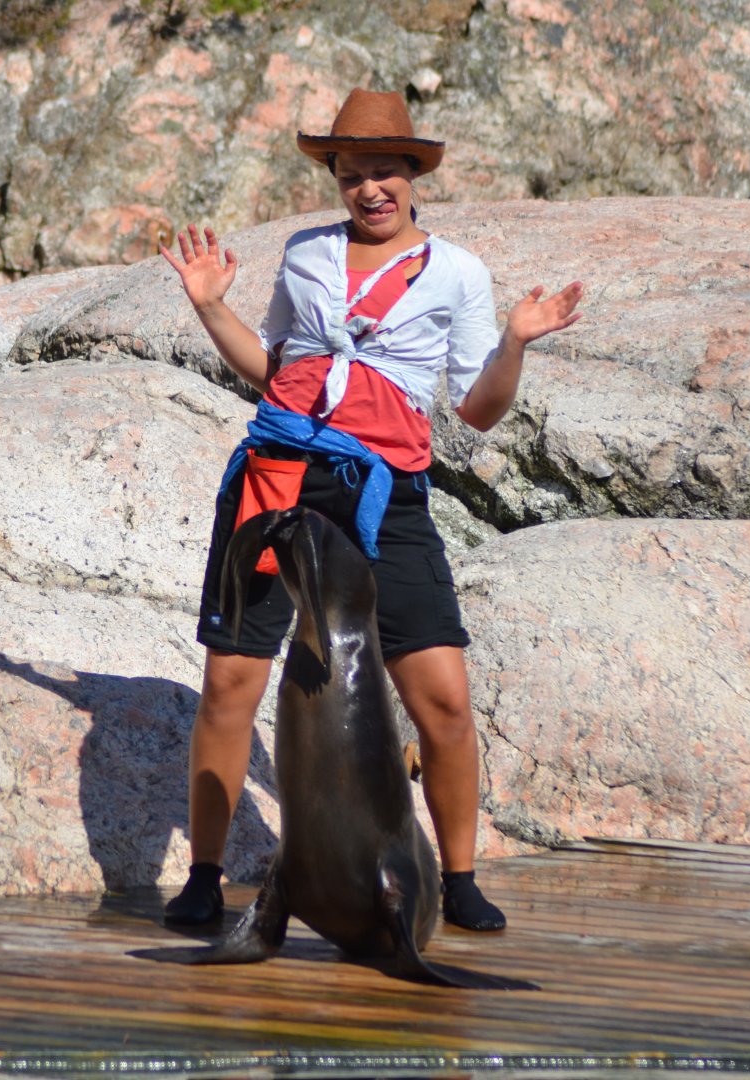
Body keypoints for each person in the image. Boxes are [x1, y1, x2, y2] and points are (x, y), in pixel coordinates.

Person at [158, 88, 584, 932]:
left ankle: (458, 879)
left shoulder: (457, 272)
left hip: (386, 495)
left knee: (443, 699)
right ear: (337, 177)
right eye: (353, 174)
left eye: (385, 171)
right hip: (277, 477)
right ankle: (206, 879)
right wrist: (210, 306)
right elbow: (274, 367)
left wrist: (513, 344)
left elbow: (478, 411)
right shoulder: (306, 253)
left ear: (414, 172)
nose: (370, 189)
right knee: (230, 683)